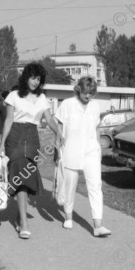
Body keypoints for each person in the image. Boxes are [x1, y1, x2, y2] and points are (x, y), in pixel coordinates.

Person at [0, 62, 62, 239]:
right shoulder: (13, 95)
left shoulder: (42, 98)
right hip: (15, 138)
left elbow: (49, 119)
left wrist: (59, 133)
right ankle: (24, 223)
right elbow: (9, 120)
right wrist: (1, 143)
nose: (35, 81)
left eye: (38, 78)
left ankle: (20, 216)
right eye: (33, 77)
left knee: (25, 178)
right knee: (20, 176)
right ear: (26, 77)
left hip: (32, 138)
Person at [54, 76, 111, 237]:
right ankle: (68, 217)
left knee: (95, 186)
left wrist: (98, 148)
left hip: (91, 151)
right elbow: (59, 125)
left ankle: (98, 225)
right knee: (69, 186)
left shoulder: (94, 106)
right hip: (71, 150)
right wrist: (58, 144)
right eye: (86, 92)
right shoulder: (67, 105)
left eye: (91, 93)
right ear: (79, 90)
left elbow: (97, 128)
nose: (88, 96)